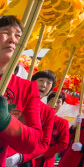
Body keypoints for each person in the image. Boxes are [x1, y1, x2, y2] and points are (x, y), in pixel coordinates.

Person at [0, 16, 44, 166]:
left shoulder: (27, 88)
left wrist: (6, 121)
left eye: (18, 35)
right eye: (6, 32)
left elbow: (33, 142)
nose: (13, 39)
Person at [38, 91, 69, 167]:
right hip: (29, 156)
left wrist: (44, 153)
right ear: (47, 102)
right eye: (52, 100)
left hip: (47, 160)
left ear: (61, 105)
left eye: (58, 102)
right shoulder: (37, 117)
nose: (55, 104)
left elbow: (63, 144)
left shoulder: (63, 123)